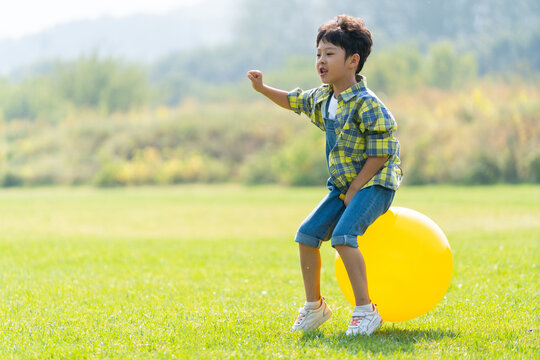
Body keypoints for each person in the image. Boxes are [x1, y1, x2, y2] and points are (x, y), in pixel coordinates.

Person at [247, 14, 402, 336]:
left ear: (353, 60)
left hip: (374, 183)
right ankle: (315, 307)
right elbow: (294, 101)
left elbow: (382, 149)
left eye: (330, 54)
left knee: (344, 237)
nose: (321, 60)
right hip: (344, 185)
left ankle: (365, 310)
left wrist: (357, 188)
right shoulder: (323, 97)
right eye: (318, 54)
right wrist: (262, 89)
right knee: (307, 235)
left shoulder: (366, 103)